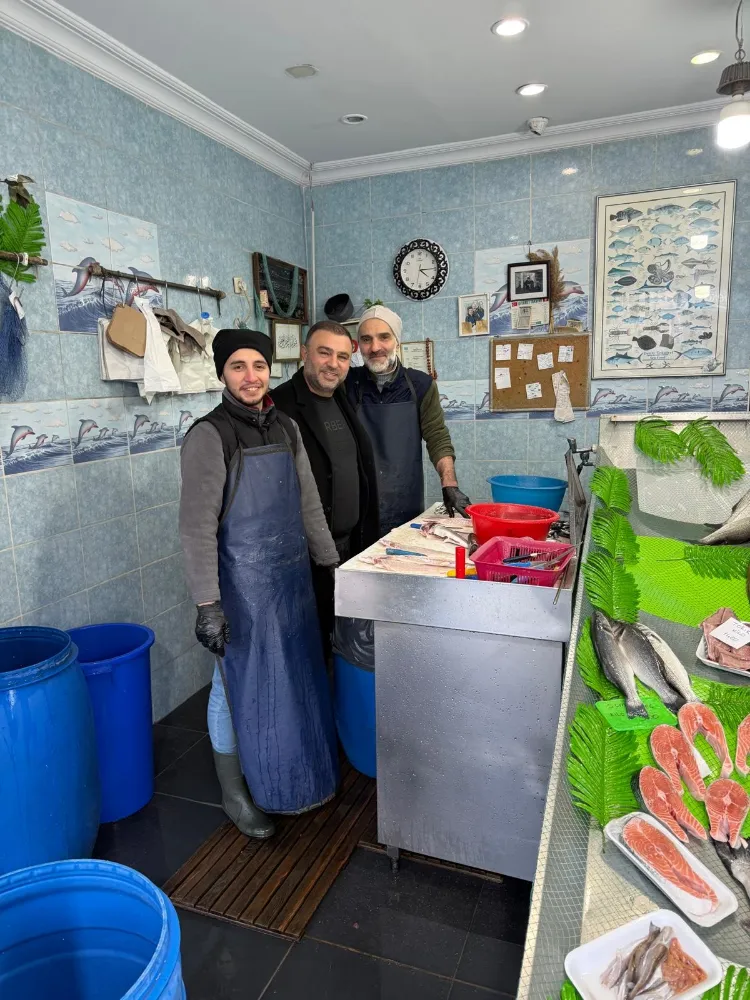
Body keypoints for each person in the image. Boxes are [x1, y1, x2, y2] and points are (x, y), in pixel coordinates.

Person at [179, 329, 339, 839]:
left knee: (291, 677)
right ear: (222, 374)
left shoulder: (286, 427)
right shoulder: (209, 435)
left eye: (259, 366)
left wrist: (331, 565)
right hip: (239, 590)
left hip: (289, 581)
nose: (251, 377)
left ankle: (292, 772)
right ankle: (235, 792)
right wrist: (207, 604)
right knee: (233, 686)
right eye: (238, 367)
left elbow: (309, 503)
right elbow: (196, 528)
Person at [272, 321, 379, 653]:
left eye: (343, 357)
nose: (334, 364)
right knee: (309, 647)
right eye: (324, 353)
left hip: (349, 548)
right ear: (304, 353)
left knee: (344, 645)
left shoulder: (340, 398)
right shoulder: (279, 405)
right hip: (305, 558)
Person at [346, 305, 472, 534]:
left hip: (404, 501)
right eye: (366, 339)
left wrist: (449, 484)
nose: (375, 347)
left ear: (397, 341)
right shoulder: (347, 384)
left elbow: (437, 436)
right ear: (358, 345)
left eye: (384, 337)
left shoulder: (420, 385)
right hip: (358, 507)